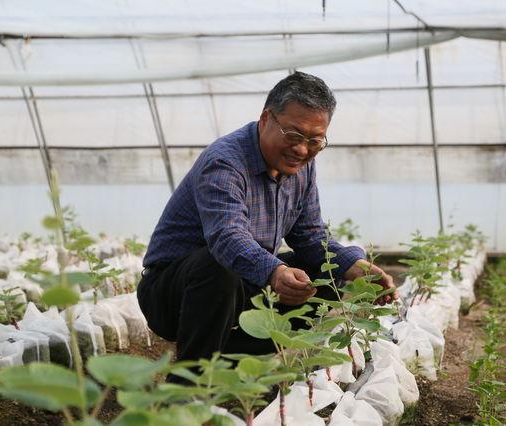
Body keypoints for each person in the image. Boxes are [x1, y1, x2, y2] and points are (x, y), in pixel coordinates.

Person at [137, 71, 398, 369]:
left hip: (240, 286)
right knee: (217, 266)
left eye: (315, 140)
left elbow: (311, 238)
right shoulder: (225, 162)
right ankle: (191, 383)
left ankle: (230, 362)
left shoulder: (301, 168)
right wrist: (275, 271)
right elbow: (227, 237)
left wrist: (356, 266)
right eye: (294, 135)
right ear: (265, 120)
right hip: (174, 295)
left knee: (325, 273)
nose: (302, 149)